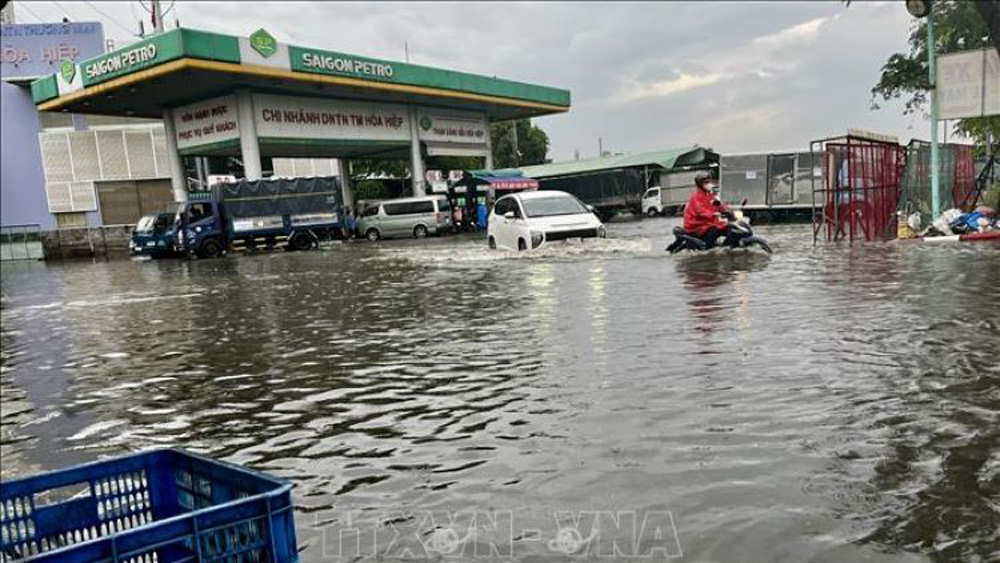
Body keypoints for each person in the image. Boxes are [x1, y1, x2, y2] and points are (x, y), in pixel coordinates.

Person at [681, 171, 731, 247]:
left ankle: (729, 245)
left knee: (728, 227)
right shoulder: (697, 197)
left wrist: (727, 209)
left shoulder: (709, 195)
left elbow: (718, 204)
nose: (710, 184)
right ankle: (709, 248)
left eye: (710, 182)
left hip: (707, 223)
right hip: (697, 226)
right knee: (715, 230)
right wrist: (712, 214)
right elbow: (700, 210)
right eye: (706, 182)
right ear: (700, 184)